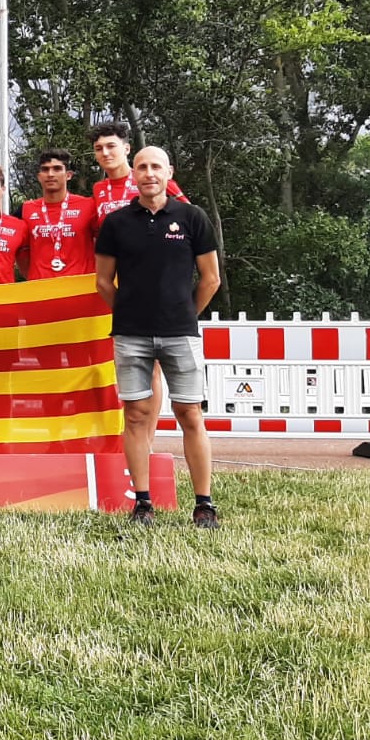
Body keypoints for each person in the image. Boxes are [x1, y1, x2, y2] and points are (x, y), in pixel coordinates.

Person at [96, 146, 222, 528]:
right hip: (130, 335)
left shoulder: (192, 217)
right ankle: (143, 503)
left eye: (156, 166)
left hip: (181, 334)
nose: (148, 173)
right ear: (132, 174)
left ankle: (204, 504)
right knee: (136, 416)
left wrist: (183, 314)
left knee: (190, 414)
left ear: (169, 172)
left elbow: (211, 279)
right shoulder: (115, 223)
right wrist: (129, 313)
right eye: (141, 167)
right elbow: (103, 281)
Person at [20, 147, 98, 280]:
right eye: (45, 169)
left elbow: (104, 245)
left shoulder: (88, 205)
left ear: (68, 175)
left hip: (80, 287)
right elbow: (21, 252)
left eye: (57, 169)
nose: (50, 174)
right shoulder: (26, 209)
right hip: (41, 287)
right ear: (39, 177)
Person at [91, 120, 185, 222]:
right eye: (98, 149)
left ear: (127, 149)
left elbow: (188, 217)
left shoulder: (153, 180)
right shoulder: (98, 188)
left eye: (111, 146)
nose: (105, 153)